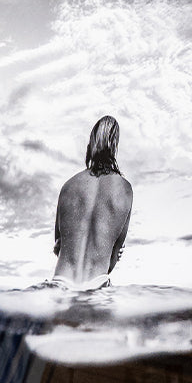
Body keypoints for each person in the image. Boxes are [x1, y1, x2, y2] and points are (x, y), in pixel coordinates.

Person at [50, 115, 133, 292]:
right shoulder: (125, 190)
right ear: (115, 146)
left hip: (60, 282)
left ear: (90, 144)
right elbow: (110, 263)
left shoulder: (68, 186)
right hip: (97, 285)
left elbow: (58, 248)